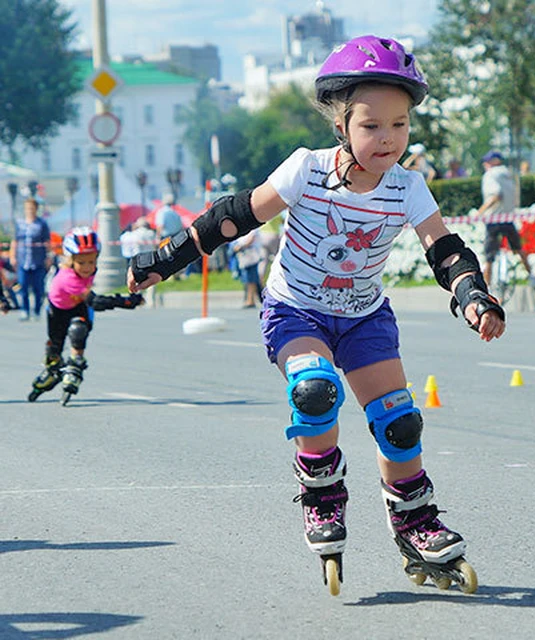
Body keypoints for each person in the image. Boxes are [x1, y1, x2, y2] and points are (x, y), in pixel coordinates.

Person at [126, 35, 503, 595]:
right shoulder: (306, 169)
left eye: (399, 125)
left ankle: (417, 525)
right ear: (341, 124)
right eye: (373, 125)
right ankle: (323, 501)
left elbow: (444, 248)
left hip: (364, 318)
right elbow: (234, 218)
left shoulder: (407, 187)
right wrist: (166, 258)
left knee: (400, 422)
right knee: (315, 390)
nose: (389, 139)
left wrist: (473, 295)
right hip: (296, 311)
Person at [27, 227, 142, 403]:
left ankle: (76, 362)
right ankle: (52, 370)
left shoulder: (87, 269)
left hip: (78, 306)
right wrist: (126, 302)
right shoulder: (67, 278)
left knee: (78, 331)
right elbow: (96, 301)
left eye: (91, 261)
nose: (88, 268)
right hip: (57, 311)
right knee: (53, 348)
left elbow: (89, 301)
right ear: (70, 260)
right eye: (82, 262)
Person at [477, 150, 535, 285]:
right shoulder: (509, 174)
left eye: (488, 161)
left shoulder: (491, 175)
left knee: (489, 256)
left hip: (493, 219)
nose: (485, 163)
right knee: (518, 249)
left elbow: (496, 195)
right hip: (508, 217)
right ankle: (532, 277)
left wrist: (480, 212)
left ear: (494, 161)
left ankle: (487, 288)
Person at [9, 197, 51, 321]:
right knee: (23, 286)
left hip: (38, 260)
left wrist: (48, 257)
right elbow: (15, 241)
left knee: (38, 288)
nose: (29, 210)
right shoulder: (20, 224)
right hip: (23, 260)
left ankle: (37, 311)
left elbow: (46, 242)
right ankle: (25, 310)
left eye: (32, 208)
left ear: (36, 209)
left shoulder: (42, 224)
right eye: (27, 208)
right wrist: (12, 256)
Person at [230, 229, 263, 308]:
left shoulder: (253, 228)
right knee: (247, 278)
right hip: (244, 254)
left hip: (250, 254)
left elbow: (250, 240)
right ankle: (253, 299)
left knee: (251, 279)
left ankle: (250, 300)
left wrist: (240, 246)